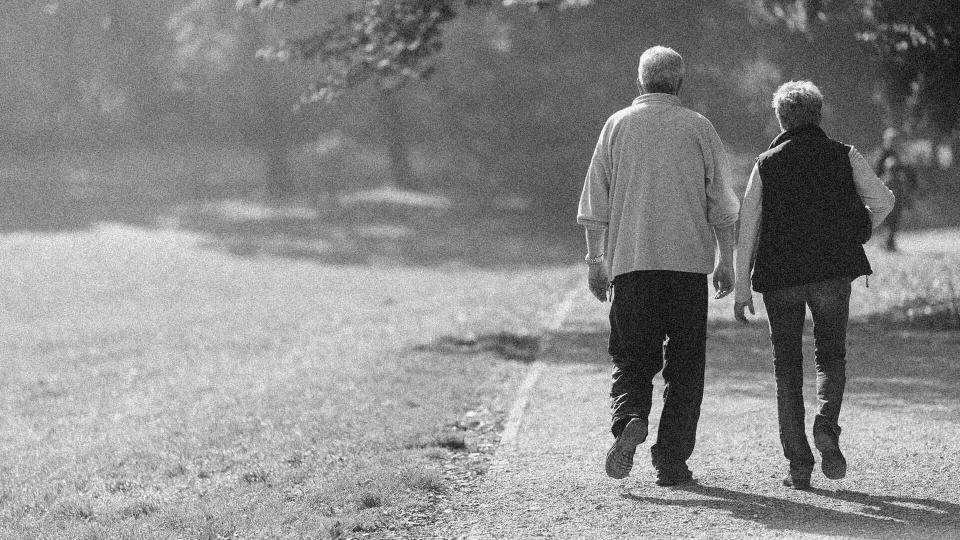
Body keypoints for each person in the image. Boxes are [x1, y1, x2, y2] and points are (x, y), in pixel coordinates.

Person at [577, 45, 740, 486]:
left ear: (640, 81)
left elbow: (597, 202)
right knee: (686, 367)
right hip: (687, 269)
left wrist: (596, 260)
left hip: (632, 263)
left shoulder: (617, 126)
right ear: (679, 82)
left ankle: (630, 416)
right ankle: (671, 461)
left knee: (631, 356)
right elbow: (722, 205)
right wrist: (728, 260)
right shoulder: (699, 128)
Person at [733, 81, 895, 490]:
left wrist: (741, 288)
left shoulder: (765, 163)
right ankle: (826, 427)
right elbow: (884, 201)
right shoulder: (845, 156)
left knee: (786, 371)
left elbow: (748, 227)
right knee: (831, 357)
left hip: (781, 279)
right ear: (819, 115)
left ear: (782, 118)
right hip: (831, 274)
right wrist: (859, 231)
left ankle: (799, 466)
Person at [874, 127, 920, 251]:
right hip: (885, 190)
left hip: (899, 191)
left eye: (895, 140)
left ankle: (890, 241)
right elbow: (874, 174)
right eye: (891, 140)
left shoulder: (901, 155)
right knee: (887, 217)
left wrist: (913, 187)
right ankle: (886, 242)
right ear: (886, 140)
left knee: (895, 217)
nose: (893, 142)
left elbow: (910, 172)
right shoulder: (881, 155)